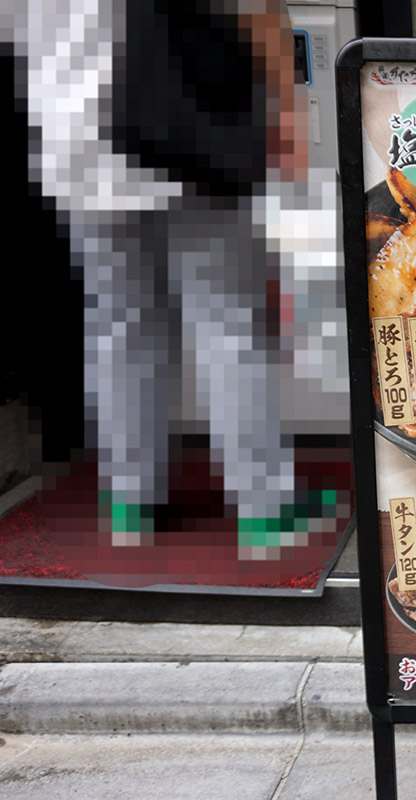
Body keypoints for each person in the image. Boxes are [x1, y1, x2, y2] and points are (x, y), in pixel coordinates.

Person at [9, 0, 343, 560]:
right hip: (191, 135)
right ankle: (265, 511)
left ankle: (129, 505)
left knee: (120, 327)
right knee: (229, 325)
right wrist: (287, 109)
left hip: (77, 143)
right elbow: (252, 5)